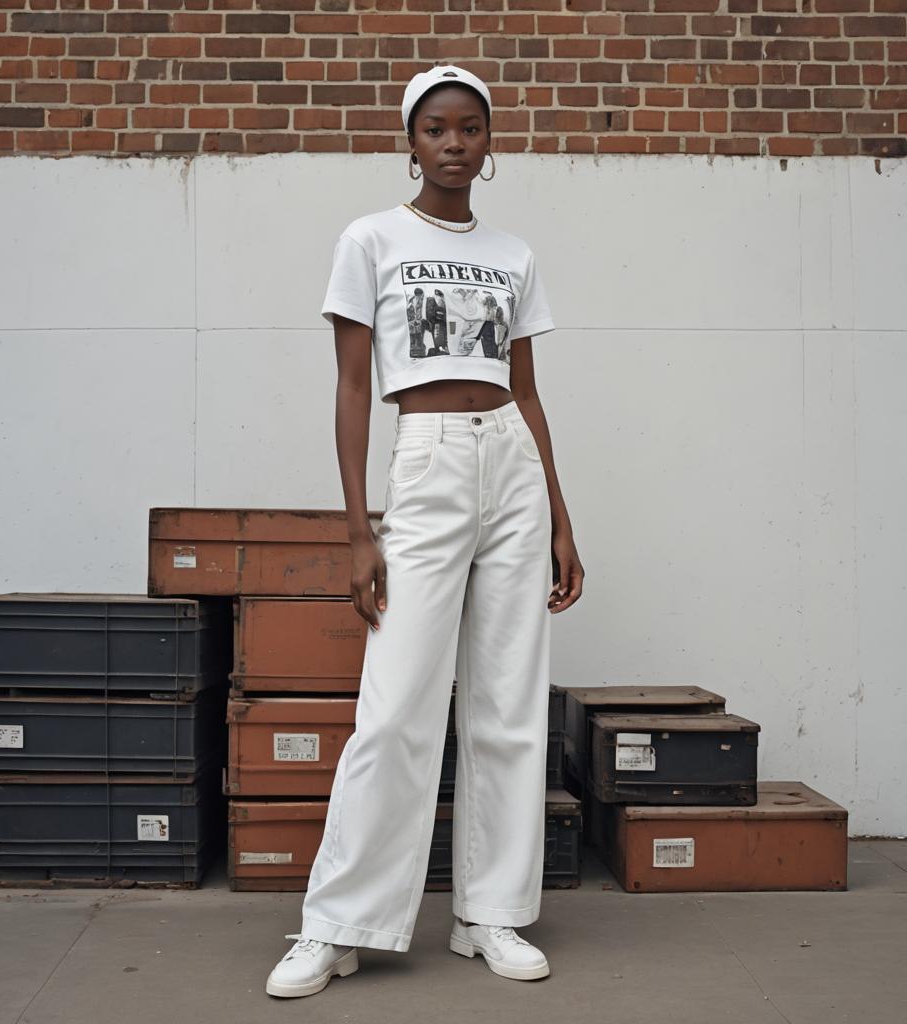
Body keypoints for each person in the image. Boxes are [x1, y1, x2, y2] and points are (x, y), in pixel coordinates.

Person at [266, 64, 585, 999]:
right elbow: (354, 385)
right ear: (410, 141)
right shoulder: (371, 239)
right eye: (436, 128)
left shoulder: (514, 254)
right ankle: (337, 923)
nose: (454, 142)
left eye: (471, 129)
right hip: (430, 456)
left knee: (508, 703)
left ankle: (489, 914)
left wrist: (563, 517)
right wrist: (358, 529)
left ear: (489, 146)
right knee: (398, 702)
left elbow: (527, 393)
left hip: (511, 463)